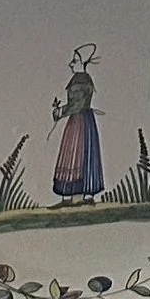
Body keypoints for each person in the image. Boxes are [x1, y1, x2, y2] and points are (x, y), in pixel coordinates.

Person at [51, 47, 103, 204]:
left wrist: (60, 111)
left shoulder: (83, 81)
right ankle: (71, 195)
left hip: (81, 121)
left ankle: (78, 196)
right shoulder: (78, 80)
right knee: (72, 153)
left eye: (75, 60)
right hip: (77, 120)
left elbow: (77, 104)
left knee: (78, 154)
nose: (70, 64)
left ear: (83, 62)